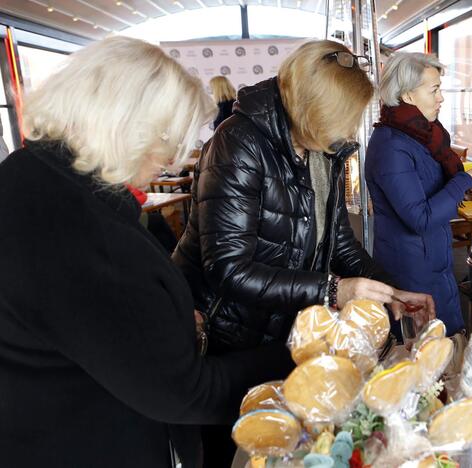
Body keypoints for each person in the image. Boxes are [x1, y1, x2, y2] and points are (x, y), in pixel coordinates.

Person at [0, 36, 295, 468]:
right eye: (166, 139)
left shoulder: (30, 177)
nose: (172, 162)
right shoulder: (74, 227)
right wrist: (293, 357)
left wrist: (168, 316)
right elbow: (183, 391)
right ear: (121, 124)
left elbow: (100, 325)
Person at [172, 40, 435, 467]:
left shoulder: (321, 148)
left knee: (279, 442)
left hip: (281, 328)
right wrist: (333, 290)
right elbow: (227, 268)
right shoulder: (238, 144)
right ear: (315, 108)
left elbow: (339, 243)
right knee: (231, 446)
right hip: (222, 332)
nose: (350, 132)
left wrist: (392, 292)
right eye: (345, 119)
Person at [365, 52, 472, 337]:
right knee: (424, 353)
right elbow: (419, 218)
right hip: (411, 271)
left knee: (443, 347)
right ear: (408, 95)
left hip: (433, 259)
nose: (441, 98)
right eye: (434, 89)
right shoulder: (391, 146)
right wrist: (464, 181)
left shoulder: (422, 135)